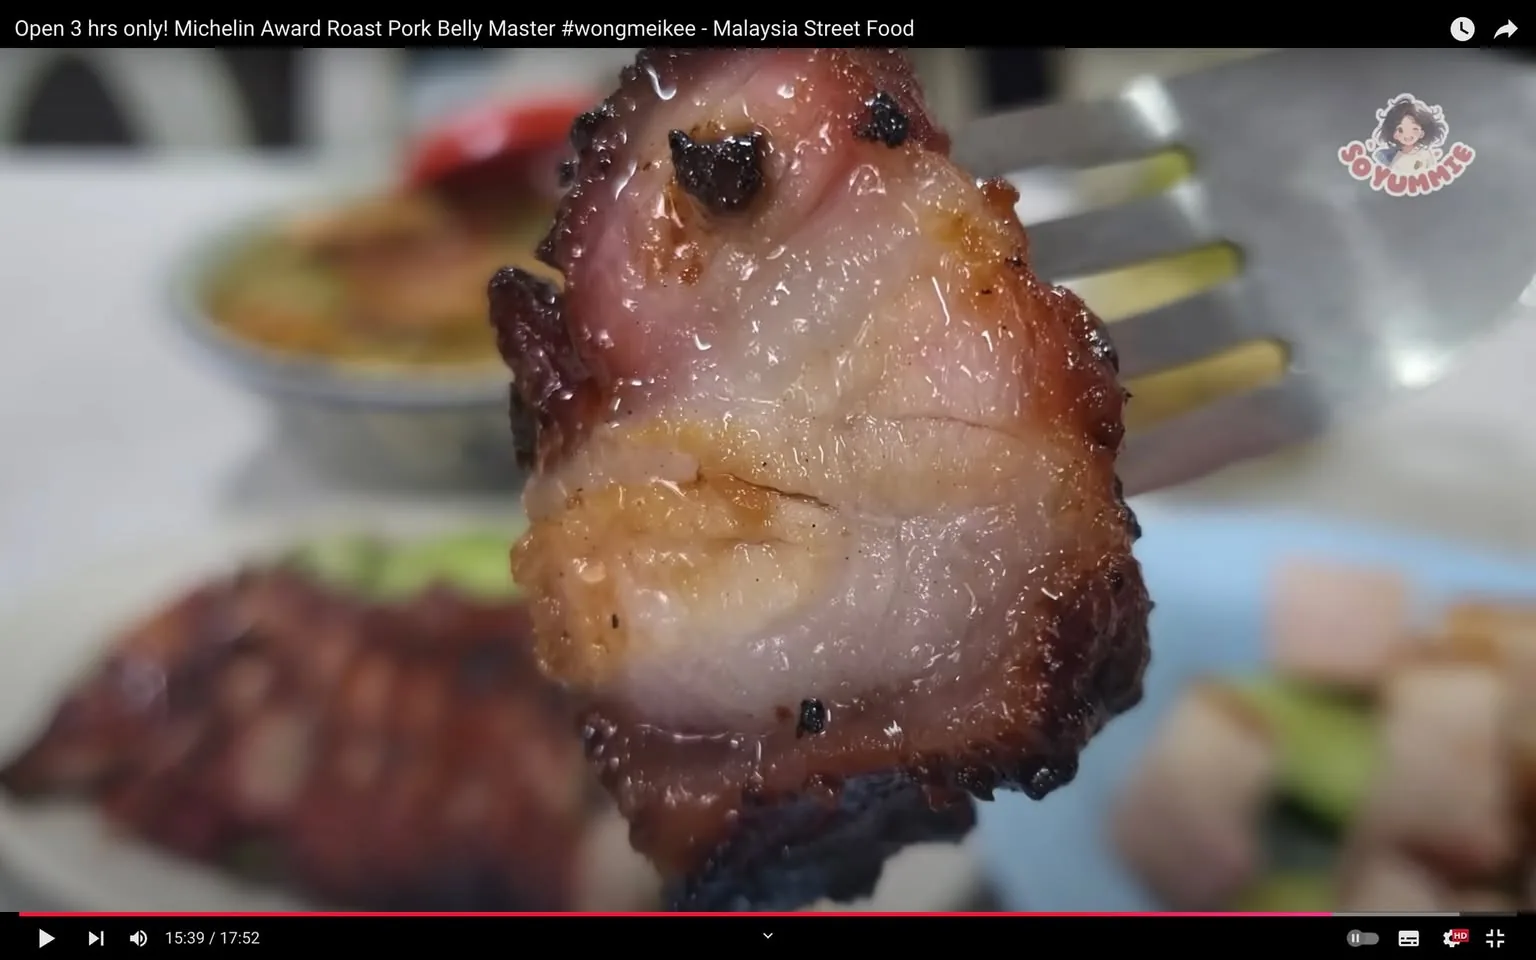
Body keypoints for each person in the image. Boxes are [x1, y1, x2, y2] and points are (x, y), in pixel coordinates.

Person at [1371, 94, 1447, 176]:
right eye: (1400, 130)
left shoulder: (1426, 155)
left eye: (1414, 129)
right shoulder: (1392, 158)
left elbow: (1434, 175)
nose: (1407, 135)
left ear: (1422, 133)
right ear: (1394, 134)